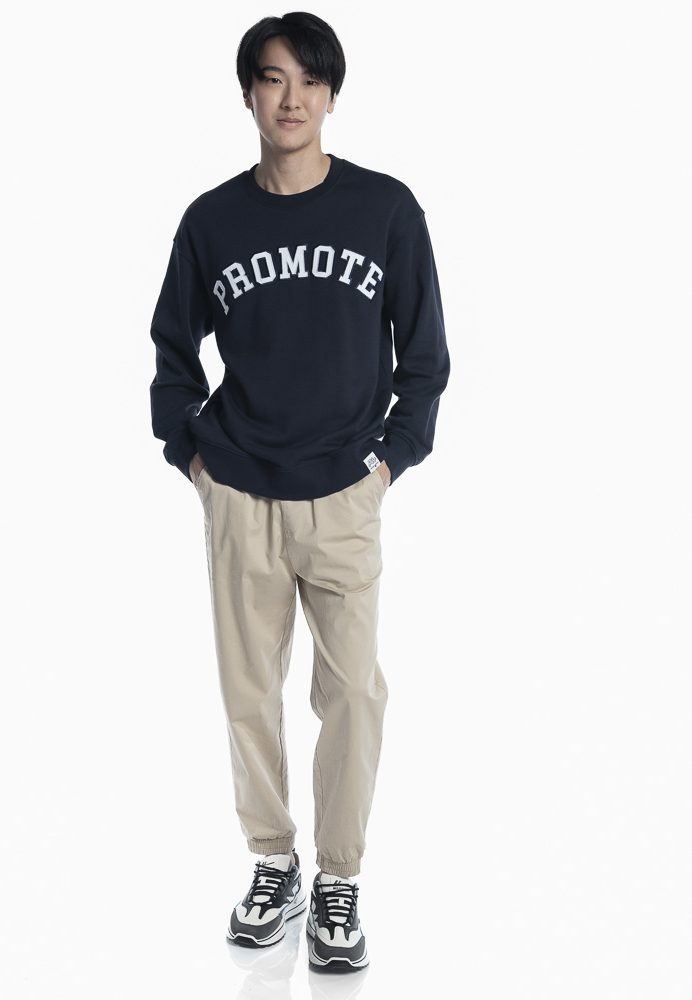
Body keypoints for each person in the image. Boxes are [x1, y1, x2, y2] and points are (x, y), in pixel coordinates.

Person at [148, 11, 449, 973]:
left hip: (344, 493)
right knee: (248, 694)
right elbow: (170, 353)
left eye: (310, 81)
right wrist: (193, 458)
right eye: (274, 79)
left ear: (332, 95)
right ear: (248, 93)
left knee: (353, 691)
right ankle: (274, 863)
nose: (293, 99)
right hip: (239, 487)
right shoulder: (212, 221)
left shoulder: (385, 210)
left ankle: (340, 877)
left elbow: (426, 359)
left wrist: (389, 460)